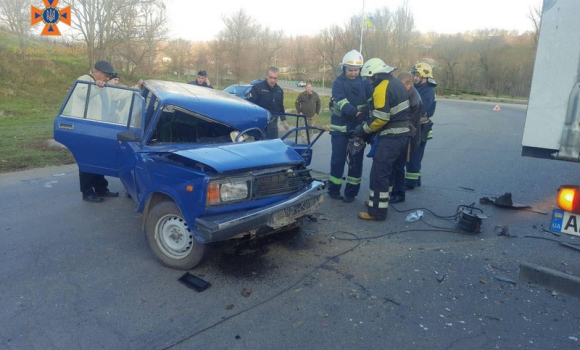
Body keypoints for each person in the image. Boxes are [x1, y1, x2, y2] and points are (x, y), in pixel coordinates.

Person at [353, 58, 410, 221]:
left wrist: (363, 130)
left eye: (369, 78)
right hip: (403, 136)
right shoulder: (397, 83)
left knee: (379, 174)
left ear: (375, 75)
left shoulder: (381, 88)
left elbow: (381, 118)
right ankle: (379, 201)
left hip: (391, 137)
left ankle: (376, 212)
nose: (369, 82)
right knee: (390, 172)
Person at [327, 50, 373, 203]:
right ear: (344, 68)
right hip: (340, 128)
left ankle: (351, 193)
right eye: (350, 70)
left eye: (356, 70)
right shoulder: (338, 82)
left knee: (356, 161)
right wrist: (357, 113)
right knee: (338, 160)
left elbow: (371, 100)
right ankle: (333, 189)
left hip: (358, 128)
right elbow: (340, 101)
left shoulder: (365, 82)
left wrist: (366, 115)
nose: (353, 73)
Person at [75, 60, 120, 203]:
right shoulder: (84, 80)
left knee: (99, 159)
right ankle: (87, 192)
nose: (107, 78)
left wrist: (136, 88)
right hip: (85, 128)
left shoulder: (103, 84)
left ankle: (101, 188)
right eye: (106, 76)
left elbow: (116, 96)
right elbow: (82, 95)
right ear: (97, 72)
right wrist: (97, 87)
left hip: (99, 127)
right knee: (87, 160)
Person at [390, 72, 423, 203]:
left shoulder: (414, 100)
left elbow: (408, 122)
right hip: (405, 136)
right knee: (395, 165)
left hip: (408, 138)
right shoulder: (407, 94)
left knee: (399, 166)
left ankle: (399, 194)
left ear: (409, 84)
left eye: (401, 85)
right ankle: (394, 191)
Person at [405, 62, 437, 190]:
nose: (414, 77)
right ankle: (416, 179)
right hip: (415, 126)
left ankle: (410, 182)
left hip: (420, 128)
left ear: (425, 76)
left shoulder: (428, 92)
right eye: (414, 74)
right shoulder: (416, 89)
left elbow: (421, 109)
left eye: (417, 75)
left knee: (414, 156)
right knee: (413, 155)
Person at [248, 67, 289, 139]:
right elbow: (250, 105)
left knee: (273, 145)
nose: (273, 80)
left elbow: (281, 106)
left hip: (273, 124)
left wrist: (284, 121)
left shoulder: (279, 91)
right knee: (260, 146)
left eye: (275, 78)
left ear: (277, 78)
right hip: (260, 124)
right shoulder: (257, 88)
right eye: (271, 77)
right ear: (266, 76)